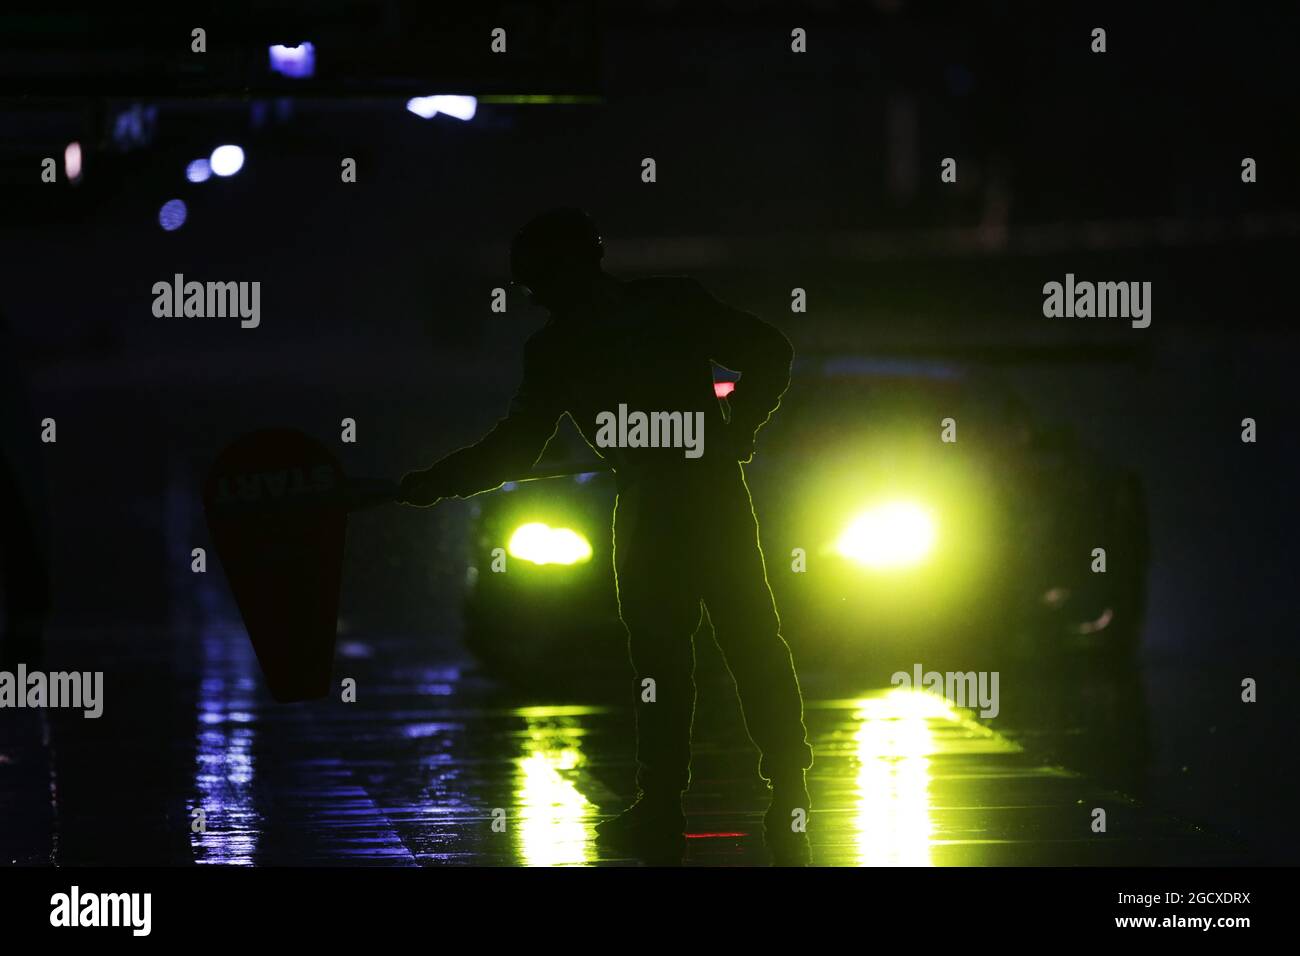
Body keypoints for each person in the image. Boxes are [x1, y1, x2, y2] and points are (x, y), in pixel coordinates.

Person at [399, 209, 813, 862]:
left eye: (538, 279)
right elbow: (770, 353)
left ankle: (683, 800)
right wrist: (736, 428)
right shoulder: (653, 311)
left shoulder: (571, 343)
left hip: (661, 500)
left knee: (685, 654)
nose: (536, 294)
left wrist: (437, 481)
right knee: (737, 641)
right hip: (695, 494)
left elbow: (515, 449)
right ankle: (776, 787)